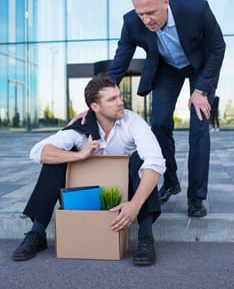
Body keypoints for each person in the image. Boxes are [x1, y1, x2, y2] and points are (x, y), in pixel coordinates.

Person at [12, 77, 165, 266]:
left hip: (126, 191)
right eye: (112, 99)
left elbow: (156, 161)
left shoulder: (132, 121)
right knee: (55, 160)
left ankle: (146, 237)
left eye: (119, 96)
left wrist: (135, 204)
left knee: (142, 160)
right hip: (88, 191)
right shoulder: (81, 128)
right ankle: (37, 233)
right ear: (95, 107)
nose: (120, 102)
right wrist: (79, 155)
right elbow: (37, 152)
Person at [105, 0, 225, 217]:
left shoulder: (196, 9)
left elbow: (217, 48)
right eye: (141, 14)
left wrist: (201, 90)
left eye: (151, 12)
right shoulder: (131, 23)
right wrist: (97, 97)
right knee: (158, 123)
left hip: (200, 68)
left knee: (199, 125)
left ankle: (196, 197)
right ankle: (170, 181)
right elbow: (119, 62)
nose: (146, 20)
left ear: (165, 2)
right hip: (167, 69)